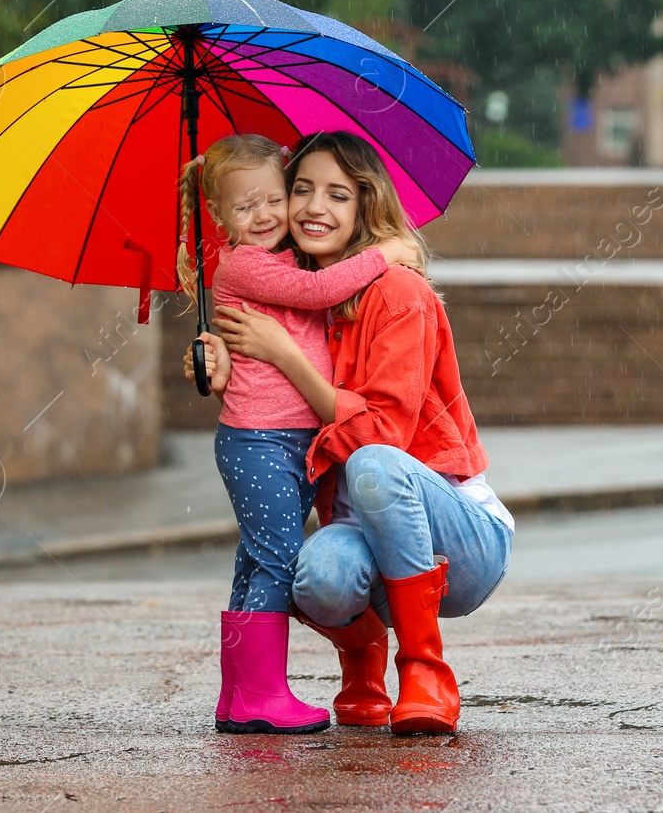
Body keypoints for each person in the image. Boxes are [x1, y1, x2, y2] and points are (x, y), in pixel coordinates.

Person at [188, 131, 512, 735]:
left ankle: (426, 672)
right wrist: (222, 362)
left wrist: (284, 355)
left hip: (460, 537)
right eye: (302, 190)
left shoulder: (399, 294)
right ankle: (359, 667)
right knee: (312, 576)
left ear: (365, 205)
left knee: (372, 463)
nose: (313, 207)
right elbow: (270, 388)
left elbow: (381, 432)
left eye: (337, 195)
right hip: (364, 528)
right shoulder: (295, 292)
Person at [176, 133, 415, 735]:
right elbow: (317, 292)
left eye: (272, 200)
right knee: (278, 561)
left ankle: (238, 693)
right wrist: (386, 254)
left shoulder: (281, 259)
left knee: (256, 561)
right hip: (262, 440)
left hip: (277, 440)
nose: (262, 217)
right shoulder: (247, 264)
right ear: (219, 216)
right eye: (242, 207)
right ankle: (261, 693)